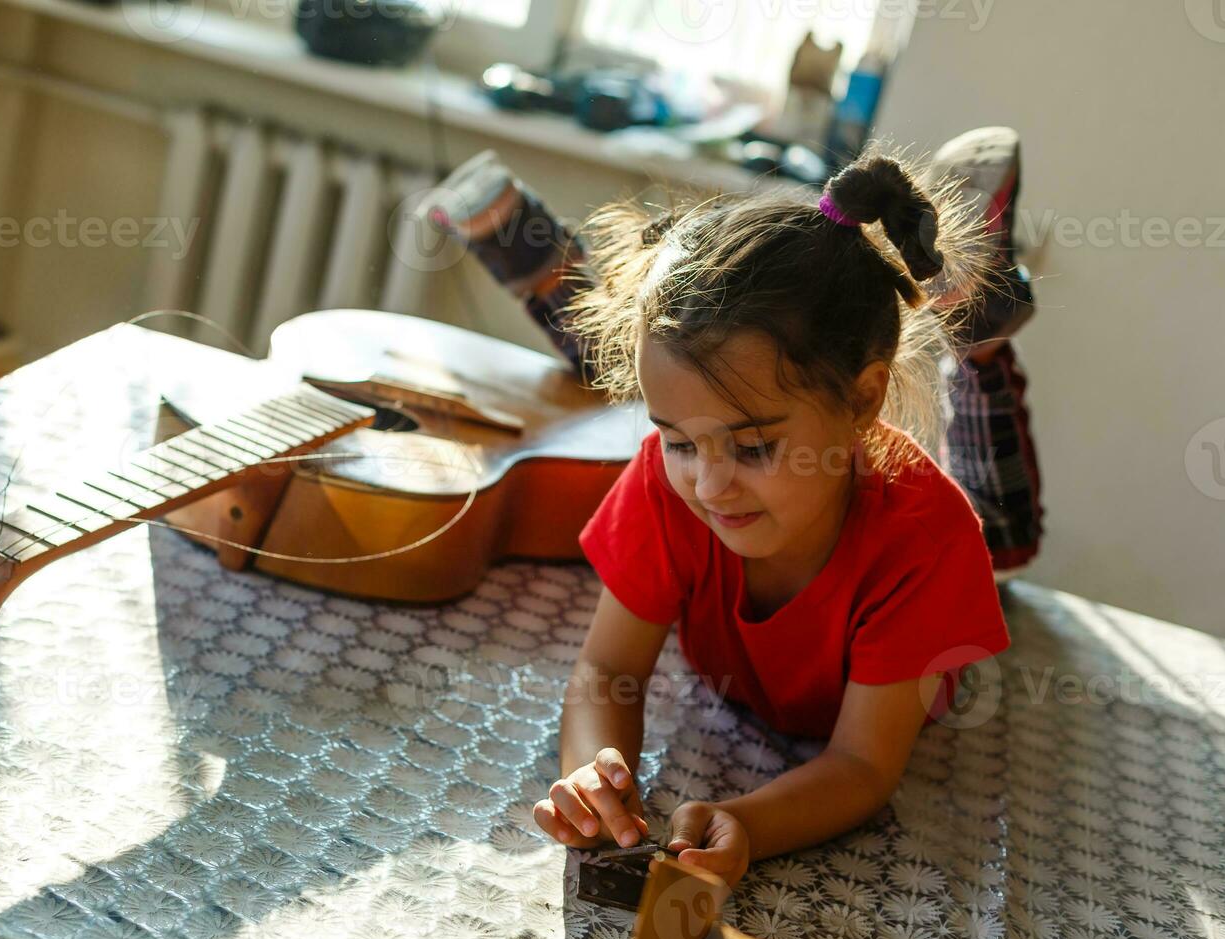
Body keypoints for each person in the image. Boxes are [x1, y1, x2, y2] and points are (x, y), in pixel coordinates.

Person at [432, 149, 1013, 885]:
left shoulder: (929, 544)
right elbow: (608, 669)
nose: (709, 486)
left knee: (1005, 538)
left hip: (934, 609)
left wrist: (749, 822)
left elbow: (862, 764)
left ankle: (987, 347)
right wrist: (592, 776)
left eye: (753, 446)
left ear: (864, 400)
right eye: (678, 440)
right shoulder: (664, 481)